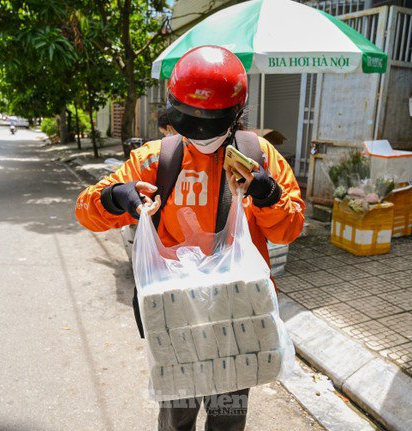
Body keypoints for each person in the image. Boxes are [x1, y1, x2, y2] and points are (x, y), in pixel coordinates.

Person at [75, 46, 304, 431]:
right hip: (175, 321)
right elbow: (86, 211)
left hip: (238, 319)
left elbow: (289, 228)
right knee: (177, 418)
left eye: (211, 123)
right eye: (190, 122)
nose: (200, 135)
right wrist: (116, 197)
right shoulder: (154, 159)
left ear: (235, 116)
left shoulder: (258, 156)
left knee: (227, 419)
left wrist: (266, 193)